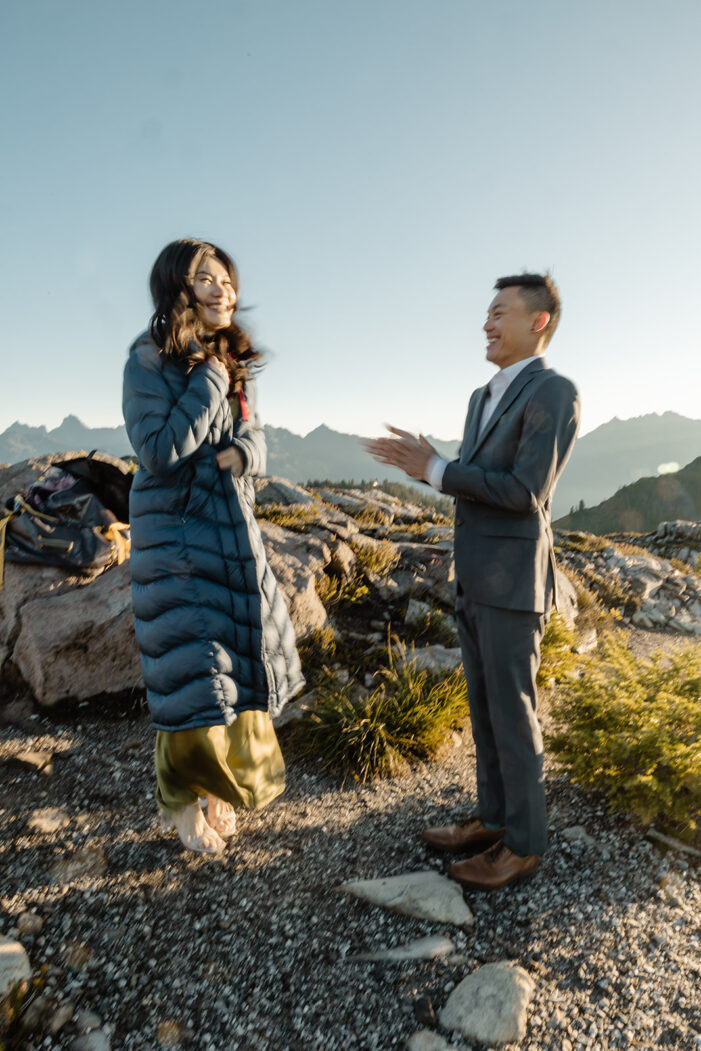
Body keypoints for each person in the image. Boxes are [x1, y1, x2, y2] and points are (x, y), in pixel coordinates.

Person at [365, 273, 580, 889]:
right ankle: (492, 818)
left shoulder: (555, 391)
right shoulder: (480, 396)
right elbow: (474, 482)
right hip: (475, 577)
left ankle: (525, 844)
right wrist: (439, 467)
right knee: (484, 709)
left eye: (500, 313)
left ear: (538, 322)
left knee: (514, 713)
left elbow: (524, 491)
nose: (487, 324)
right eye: (486, 313)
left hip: (514, 583)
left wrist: (434, 468)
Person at [123, 238, 304, 855]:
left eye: (227, 278)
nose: (223, 288)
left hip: (229, 527)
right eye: (206, 278)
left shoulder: (230, 361)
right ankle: (180, 804)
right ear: (178, 287)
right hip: (175, 533)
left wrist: (248, 451)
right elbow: (157, 451)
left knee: (237, 664)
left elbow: (252, 438)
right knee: (193, 674)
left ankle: (220, 791)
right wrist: (206, 381)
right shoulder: (149, 359)